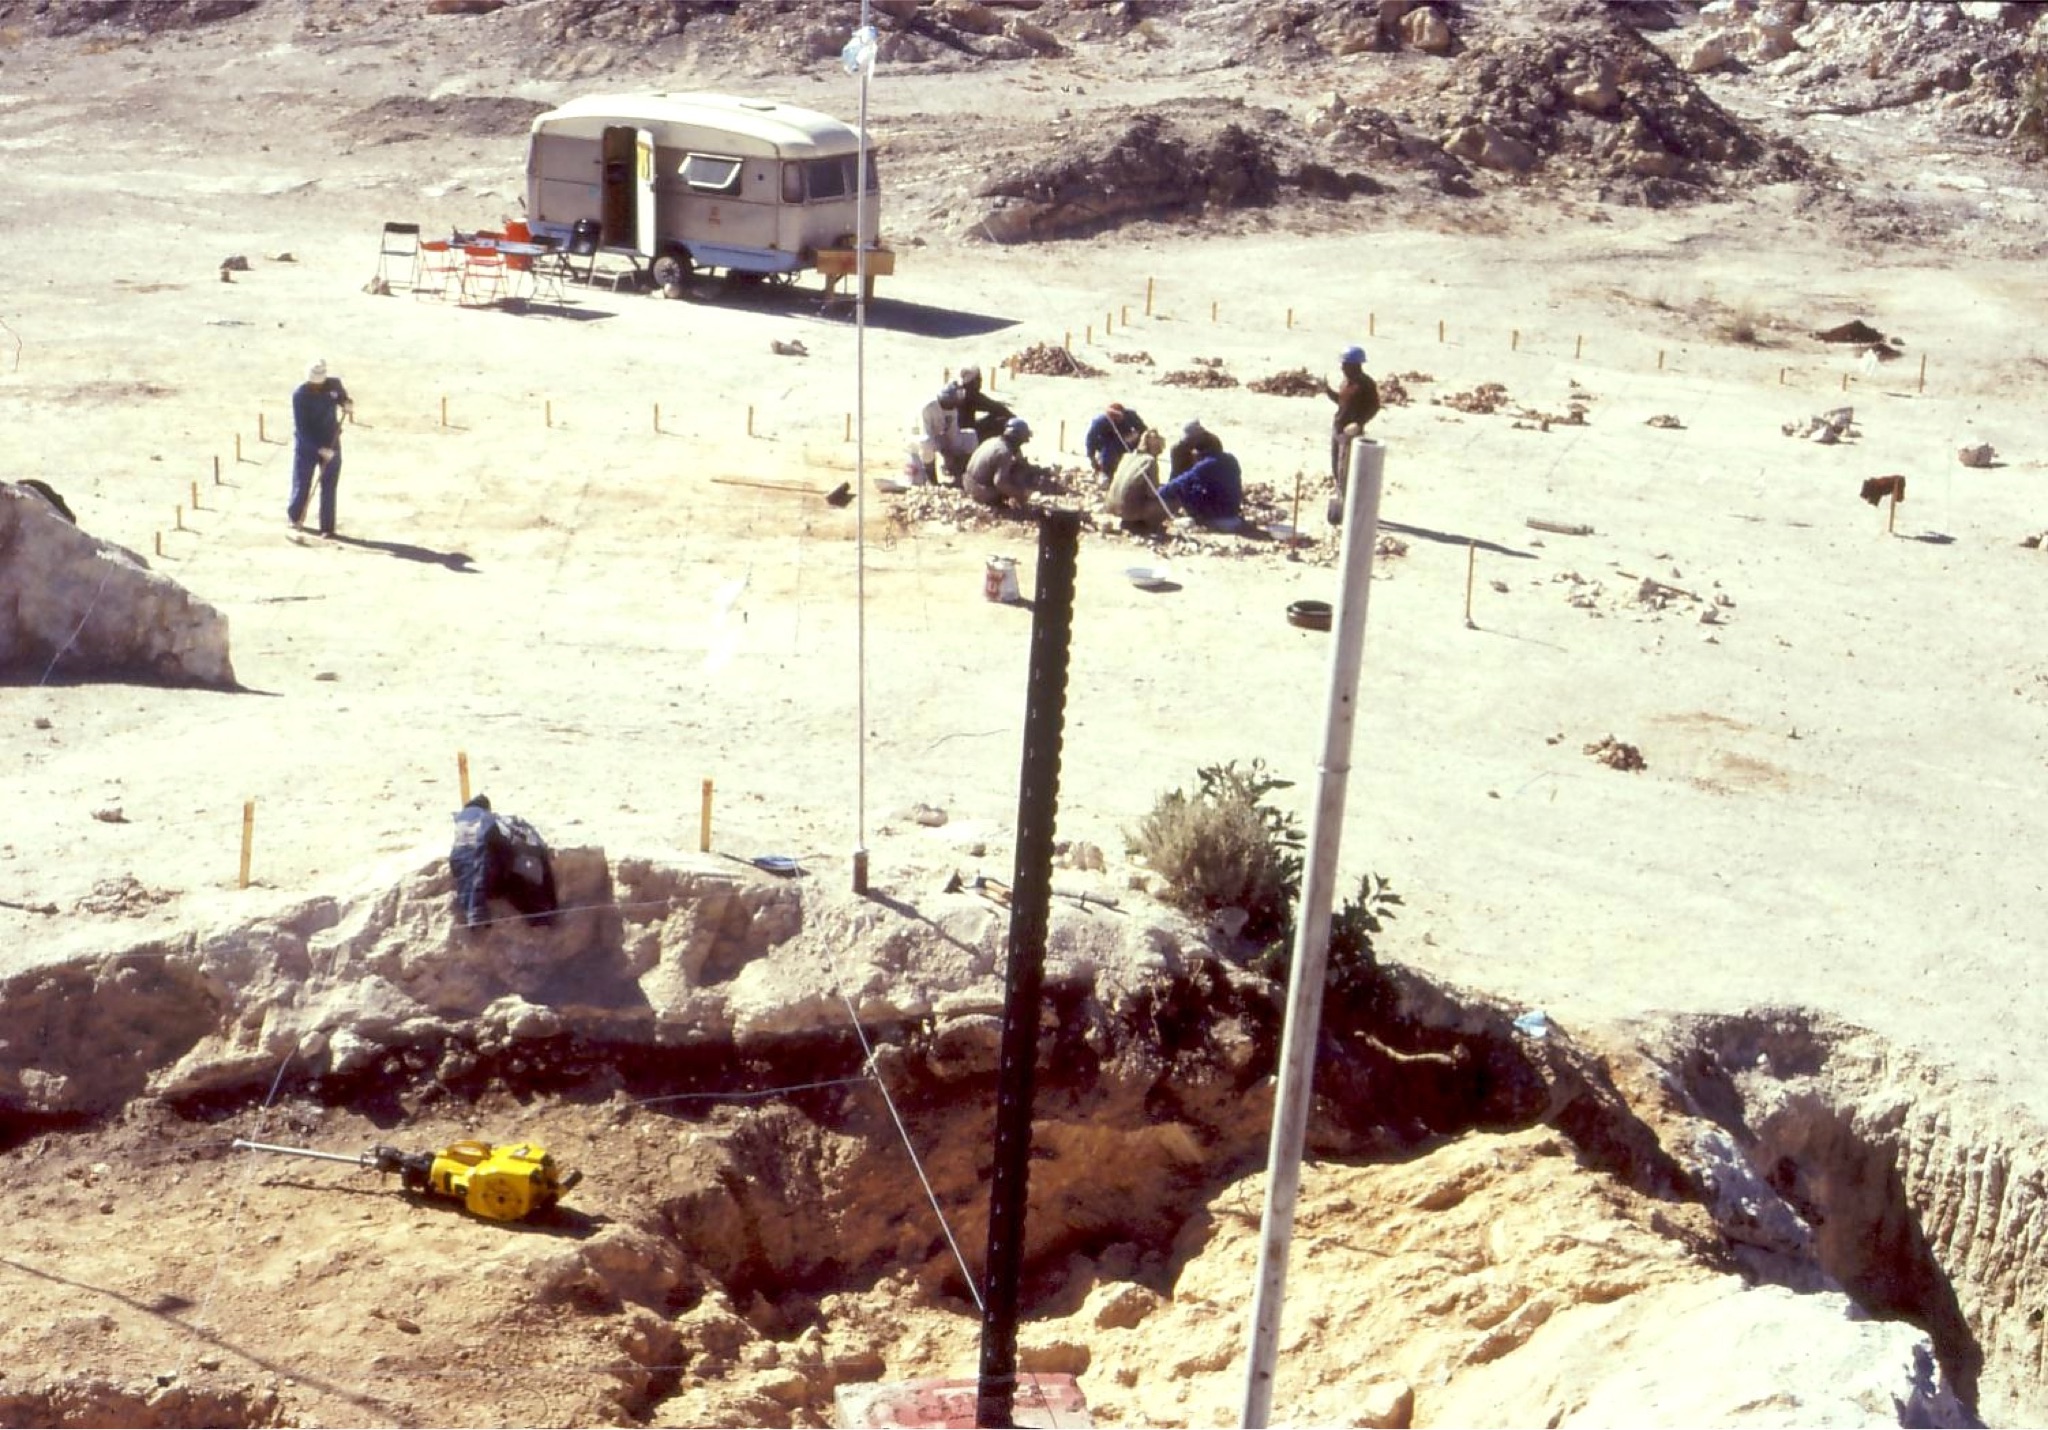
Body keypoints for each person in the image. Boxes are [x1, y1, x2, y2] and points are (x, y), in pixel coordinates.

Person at [448, 794, 559, 931]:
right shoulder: (490, 820)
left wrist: (474, 910)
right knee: (518, 880)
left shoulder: (462, 823)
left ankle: (540, 915)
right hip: (494, 876)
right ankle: (540, 917)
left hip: (466, 879)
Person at [288, 358, 353, 537]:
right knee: (302, 483)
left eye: (319, 384)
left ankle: (327, 528)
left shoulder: (333, 384)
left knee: (329, 486)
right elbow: (302, 429)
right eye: (312, 384)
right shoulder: (299, 395)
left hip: (331, 439)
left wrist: (347, 403)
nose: (316, 388)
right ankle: (294, 518)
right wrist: (319, 449)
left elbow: (342, 398)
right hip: (307, 445)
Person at [1324, 343, 1380, 484]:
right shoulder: (1346, 382)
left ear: (1354, 365)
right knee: (1336, 465)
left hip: (1351, 433)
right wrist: (1328, 391)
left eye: (1345, 364)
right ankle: (1339, 490)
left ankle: (1346, 497)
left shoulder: (1366, 384)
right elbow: (1342, 402)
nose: (1342, 367)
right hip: (1338, 427)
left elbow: (1374, 406)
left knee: (1347, 469)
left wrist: (1358, 423)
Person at [1104, 428, 1171, 534]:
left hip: (1113, 506)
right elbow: (1152, 493)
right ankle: (1145, 525)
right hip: (1129, 511)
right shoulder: (1150, 461)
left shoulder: (1127, 456)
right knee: (1167, 500)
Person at [1159, 445, 1243, 527]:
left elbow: (1181, 481)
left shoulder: (1207, 464)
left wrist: (1159, 492)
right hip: (1233, 510)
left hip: (1219, 515)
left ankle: (1199, 519)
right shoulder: (1230, 459)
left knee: (1184, 487)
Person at [910, 382, 976, 485]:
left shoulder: (952, 410)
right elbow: (925, 433)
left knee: (971, 436)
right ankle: (932, 479)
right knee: (927, 443)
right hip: (917, 440)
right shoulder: (928, 407)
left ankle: (960, 474)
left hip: (936, 437)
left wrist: (951, 454)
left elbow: (952, 435)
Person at [963, 417, 1034, 509]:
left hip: (967, 483)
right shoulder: (1004, 452)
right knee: (1017, 473)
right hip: (981, 492)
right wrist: (1020, 495)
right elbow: (1000, 483)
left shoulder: (993, 441)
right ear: (1017, 439)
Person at [1084, 402, 1148, 483]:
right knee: (1108, 450)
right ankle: (1107, 473)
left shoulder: (1131, 416)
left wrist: (1136, 435)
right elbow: (1090, 439)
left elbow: (1144, 430)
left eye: (1117, 417)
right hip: (1107, 442)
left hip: (1126, 439)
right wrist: (1092, 459)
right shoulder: (1100, 422)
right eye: (1112, 417)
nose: (1114, 419)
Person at [957, 364, 1015, 444]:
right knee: (1002, 421)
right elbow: (997, 408)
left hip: (957, 435)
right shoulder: (972, 395)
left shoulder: (958, 391)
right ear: (974, 381)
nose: (981, 381)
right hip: (966, 438)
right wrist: (1015, 420)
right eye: (979, 378)